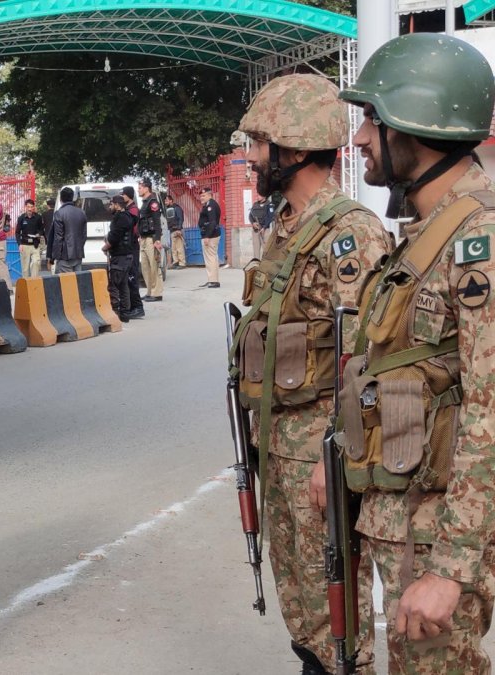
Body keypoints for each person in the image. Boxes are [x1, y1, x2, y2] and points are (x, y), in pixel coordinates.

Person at [337, 33, 495, 674]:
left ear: (413, 121)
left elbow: (490, 410)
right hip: (406, 527)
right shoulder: (429, 235)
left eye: (370, 120)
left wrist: (452, 568)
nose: (360, 139)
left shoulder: (479, 240)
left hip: (437, 544)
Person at [234, 73, 391, 674]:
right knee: (300, 602)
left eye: (259, 143)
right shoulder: (286, 225)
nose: (251, 156)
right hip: (279, 440)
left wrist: (339, 454)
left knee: (337, 612)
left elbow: (366, 357)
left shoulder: (349, 233)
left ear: (295, 149)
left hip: (319, 448)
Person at [102, 194, 137, 321]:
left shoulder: (120, 217)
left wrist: (105, 247)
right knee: (123, 285)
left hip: (120, 256)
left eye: (111, 204)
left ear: (117, 205)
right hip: (126, 256)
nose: (110, 207)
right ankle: (125, 314)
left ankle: (116, 313)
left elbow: (115, 236)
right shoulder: (127, 216)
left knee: (114, 285)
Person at [137, 178, 164, 302]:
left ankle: (156, 293)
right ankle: (149, 291)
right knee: (145, 267)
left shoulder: (153, 202)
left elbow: (157, 222)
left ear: (147, 188)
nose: (138, 190)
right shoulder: (144, 203)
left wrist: (157, 239)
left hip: (151, 239)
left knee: (154, 266)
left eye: (140, 188)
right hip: (143, 238)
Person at [121, 186, 146, 316]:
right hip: (127, 247)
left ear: (128, 196)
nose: (122, 197)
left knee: (132, 277)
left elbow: (134, 229)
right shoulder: (127, 209)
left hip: (132, 246)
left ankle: (138, 307)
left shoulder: (133, 210)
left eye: (123, 195)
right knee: (128, 277)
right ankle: (131, 306)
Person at [51, 187, 86, 273]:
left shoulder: (59, 213)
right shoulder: (81, 212)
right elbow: (84, 235)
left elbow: (58, 238)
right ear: (72, 197)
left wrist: (54, 256)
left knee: (66, 281)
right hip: (78, 254)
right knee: (78, 279)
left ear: (61, 199)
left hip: (64, 255)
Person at [197, 188, 222, 287]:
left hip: (210, 235)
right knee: (212, 258)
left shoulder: (211, 206)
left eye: (203, 196)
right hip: (210, 234)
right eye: (200, 196)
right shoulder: (208, 204)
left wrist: (207, 236)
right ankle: (212, 279)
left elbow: (212, 222)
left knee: (210, 258)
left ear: (209, 195)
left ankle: (213, 281)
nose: (201, 198)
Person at [15, 198, 46, 279]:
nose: (30, 209)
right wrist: (19, 244)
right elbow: (17, 232)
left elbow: (42, 229)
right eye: (28, 207)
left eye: (31, 207)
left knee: (36, 263)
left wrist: (39, 234)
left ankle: (34, 282)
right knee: (25, 269)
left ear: (33, 207)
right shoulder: (21, 218)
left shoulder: (38, 217)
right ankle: (26, 284)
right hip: (24, 245)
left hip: (35, 245)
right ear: (25, 207)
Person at [164, 193, 186, 268]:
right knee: (173, 248)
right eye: (165, 201)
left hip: (177, 229)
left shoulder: (177, 208)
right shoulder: (168, 209)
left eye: (167, 200)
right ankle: (176, 261)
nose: (165, 202)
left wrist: (179, 229)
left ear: (171, 200)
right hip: (171, 230)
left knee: (179, 247)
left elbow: (180, 218)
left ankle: (182, 263)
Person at [41, 197, 57, 271]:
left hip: (48, 235)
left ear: (48, 206)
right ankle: (55, 265)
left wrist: (43, 235)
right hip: (57, 235)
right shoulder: (57, 213)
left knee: (49, 251)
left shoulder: (44, 214)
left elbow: (42, 226)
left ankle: (49, 267)